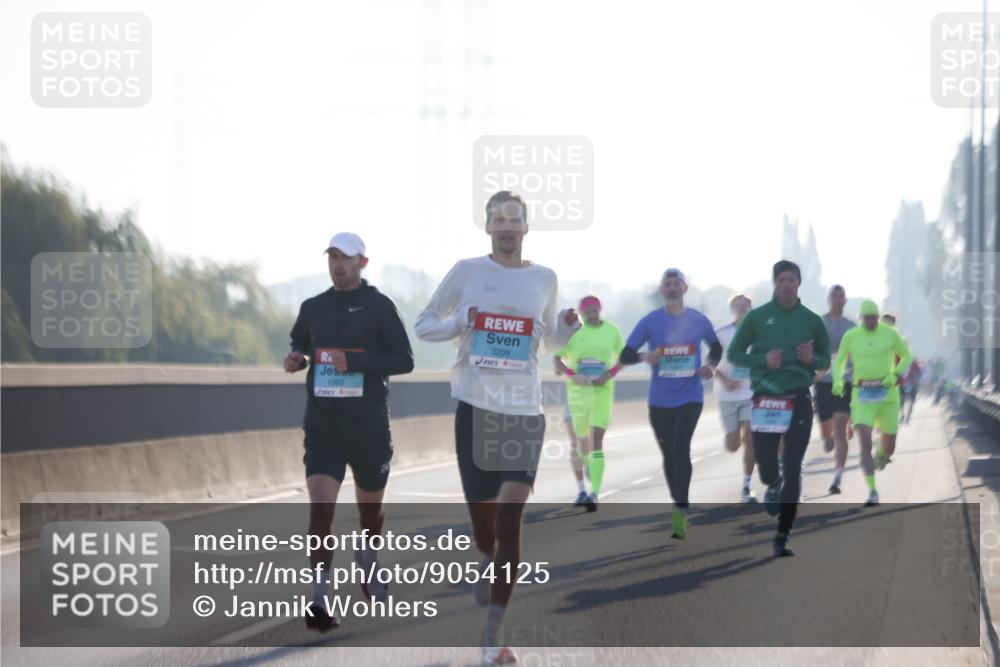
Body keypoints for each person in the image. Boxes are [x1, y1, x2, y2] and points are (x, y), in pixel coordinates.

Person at [415, 190, 580, 665]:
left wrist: (565, 329)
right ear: (487, 228)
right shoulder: (467, 272)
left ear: (526, 228)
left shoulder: (544, 279)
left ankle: (492, 639)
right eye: (498, 219)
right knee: (485, 533)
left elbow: (548, 344)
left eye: (515, 219)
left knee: (510, 519)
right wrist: (462, 321)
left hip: (523, 412)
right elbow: (425, 325)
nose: (507, 227)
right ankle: (485, 562)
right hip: (474, 407)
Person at [284, 232, 415, 632]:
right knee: (321, 512)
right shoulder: (313, 307)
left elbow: (404, 360)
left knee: (369, 512)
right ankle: (319, 599)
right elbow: (301, 343)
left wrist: (355, 362)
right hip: (323, 425)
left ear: (363, 263)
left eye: (346, 258)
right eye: (333, 257)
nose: (338, 264)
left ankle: (368, 558)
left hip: (369, 427)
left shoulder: (379, 307)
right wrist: (297, 357)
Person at [727, 260, 831, 557]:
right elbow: (734, 355)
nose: (786, 284)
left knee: (794, 467)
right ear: (775, 284)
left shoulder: (812, 320)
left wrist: (812, 359)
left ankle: (782, 534)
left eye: (791, 280)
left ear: (799, 284)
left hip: (798, 398)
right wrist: (763, 361)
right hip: (766, 399)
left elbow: (826, 361)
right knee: (767, 467)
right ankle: (771, 485)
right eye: (781, 279)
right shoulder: (758, 318)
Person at [618, 268, 722, 539]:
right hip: (659, 400)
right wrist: (644, 357)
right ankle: (677, 503)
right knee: (668, 455)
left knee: (680, 448)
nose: (673, 288)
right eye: (668, 284)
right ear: (662, 290)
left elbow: (717, 347)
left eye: (677, 284)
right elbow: (625, 354)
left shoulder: (698, 320)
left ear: (685, 289)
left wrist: (711, 365)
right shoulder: (650, 321)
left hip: (690, 396)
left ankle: (681, 507)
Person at [833, 302, 913, 506]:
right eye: (866, 317)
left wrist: (894, 374)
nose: (870, 321)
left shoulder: (890, 334)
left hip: (888, 396)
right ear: (861, 318)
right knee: (864, 442)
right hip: (862, 396)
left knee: (890, 448)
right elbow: (840, 360)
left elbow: (907, 356)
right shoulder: (851, 336)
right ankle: (872, 492)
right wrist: (838, 381)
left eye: (873, 317)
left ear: (878, 316)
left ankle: (882, 452)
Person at [553, 295, 625, 512]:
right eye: (587, 312)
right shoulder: (573, 333)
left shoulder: (611, 331)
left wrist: (609, 374)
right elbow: (557, 360)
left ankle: (594, 493)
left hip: (600, 394)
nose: (591, 315)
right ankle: (581, 490)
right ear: (581, 313)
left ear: (600, 309)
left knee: (595, 442)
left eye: (595, 310)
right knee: (576, 443)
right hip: (575, 396)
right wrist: (572, 375)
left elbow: (623, 358)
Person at [713, 294, 757, 503]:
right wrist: (725, 381)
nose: (741, 308)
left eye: (745, 304)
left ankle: (746, 487)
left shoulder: (759, 334)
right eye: (737, 305)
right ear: (732, 308)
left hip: (751, 393)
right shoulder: (722, 334)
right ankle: (734, 435)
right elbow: (711, 362)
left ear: (751, 307)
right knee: (733, 446)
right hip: (727, 394)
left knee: (750, 437)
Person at [812, 285, 856, 494]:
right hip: (822, 382)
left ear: (845, 300)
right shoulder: (819, 323)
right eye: (834, 295)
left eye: (841, 296)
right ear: (829, 299)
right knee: (827, 432)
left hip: (845, 383)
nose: (838, 299)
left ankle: (837, 477)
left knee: (840, 429)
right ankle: (827, 439)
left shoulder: (852, 327)